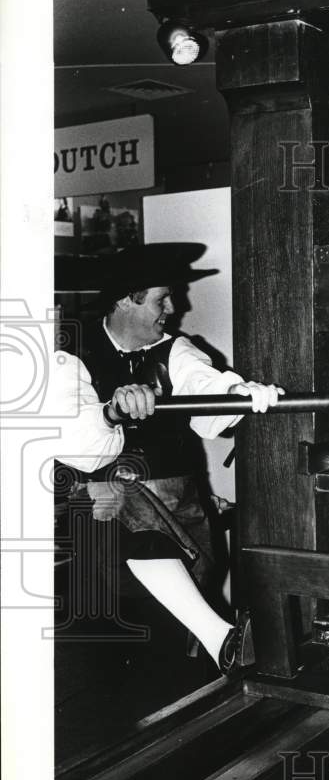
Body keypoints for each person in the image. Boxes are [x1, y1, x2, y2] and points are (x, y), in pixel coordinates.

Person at [54, 243, 282, 675]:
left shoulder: (176, 351)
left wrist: (240, 395)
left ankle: (216, 648)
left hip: (183, 512)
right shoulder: (72, 352)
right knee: (113, 496)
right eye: (163, 298)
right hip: (108, 522)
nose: (174, 308)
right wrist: (111, 412)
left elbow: (206, 390)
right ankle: (220, 640)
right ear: (127, 298)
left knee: (174, 661)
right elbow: (80, 446)